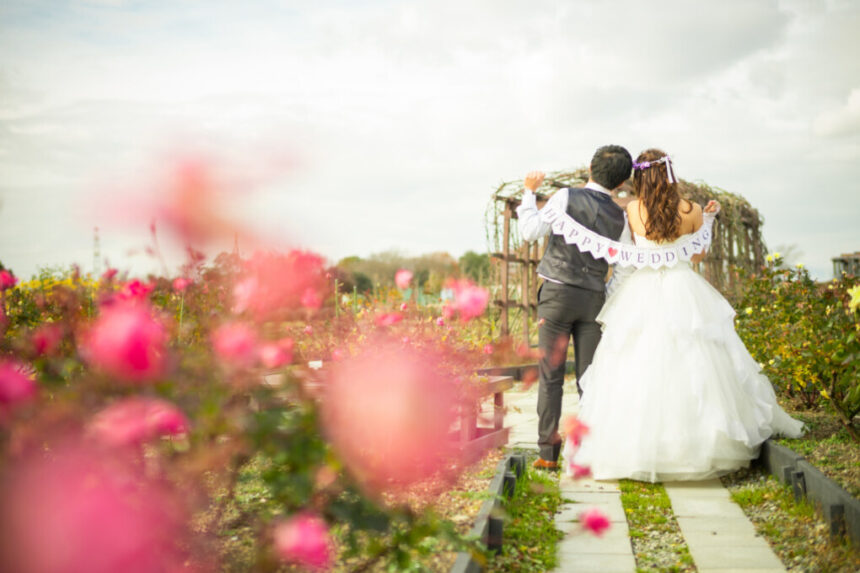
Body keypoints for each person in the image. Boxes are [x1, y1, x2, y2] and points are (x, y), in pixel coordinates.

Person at [565, 148, 804, 482]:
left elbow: (630, 257)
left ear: (640, 177)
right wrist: (707, 221)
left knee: (638, 363)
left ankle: (636, 447)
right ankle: (697, 444)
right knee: (697, 360)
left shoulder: (632, 209)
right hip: (683, 287)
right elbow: (697, 256)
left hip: (643, 290)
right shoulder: (690, 209)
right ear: (669, 174)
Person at [516, 144, 633, 471]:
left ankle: (548, 455)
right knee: (591, 379)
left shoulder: (566, 197)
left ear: (590, 169)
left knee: (551, 375)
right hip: (593, 298)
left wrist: (529, 193)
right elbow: (624, 265)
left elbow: (530, 231)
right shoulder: (620, 216)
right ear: (621, 183)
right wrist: (603, 291)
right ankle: (589, 453)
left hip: (557, 294)